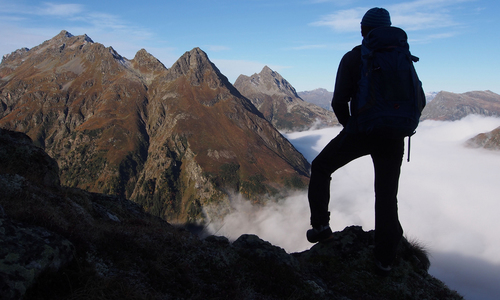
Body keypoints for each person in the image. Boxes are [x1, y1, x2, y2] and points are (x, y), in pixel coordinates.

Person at [306, 7, 415, 273]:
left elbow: (338, 101)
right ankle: (385, 259)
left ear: (364, 30)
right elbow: (416, 98)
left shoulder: (354, 58)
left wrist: (351, 127)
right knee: (387, 196)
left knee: (321, 167)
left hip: (362, 131)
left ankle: (321, 227)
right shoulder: (402, 56)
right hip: (394, 136)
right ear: (388, 28)